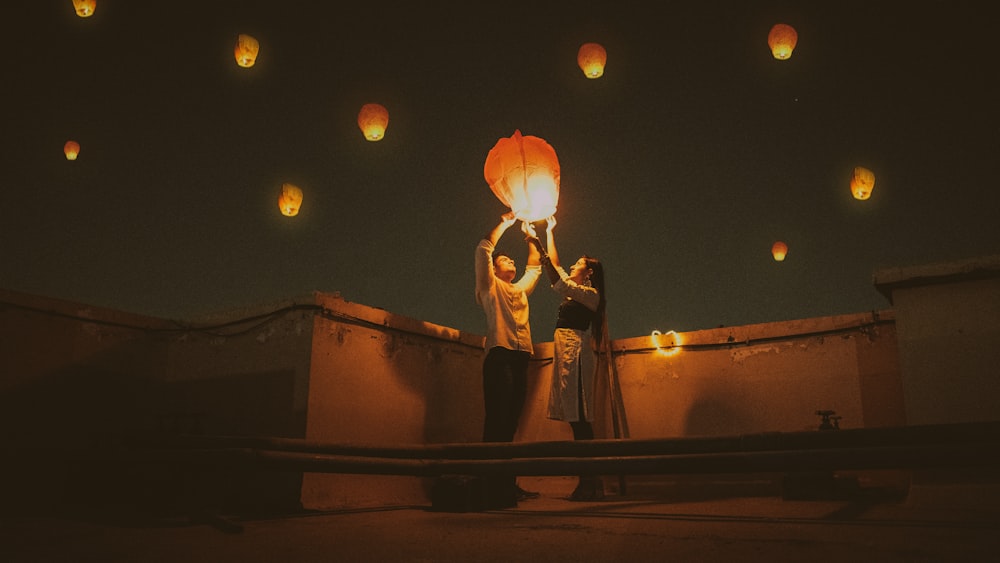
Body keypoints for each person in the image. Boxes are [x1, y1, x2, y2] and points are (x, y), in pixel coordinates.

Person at [527, 216, 607, 501]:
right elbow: (558, 270)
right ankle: (589, 480)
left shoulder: (590, 294)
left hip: (577, 354)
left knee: (581, 418)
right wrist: (549, 231)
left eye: (579, 263)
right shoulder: (579, 292)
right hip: (567, 352)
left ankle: (590, 481)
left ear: (588, 273)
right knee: (576, 418)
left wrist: (539, 246)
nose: (574, 264)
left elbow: (557, 278)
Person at [474, 211, 543, 504]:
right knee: (497, 421)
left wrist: (531, 238)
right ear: (493, 268)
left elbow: (535, 268)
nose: (511, 262)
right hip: (500, 356)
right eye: (505, 260)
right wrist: (506, 222)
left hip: (520, 357)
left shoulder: (518, 289)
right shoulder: (489, 287)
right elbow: (483, 248)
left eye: (511, 260)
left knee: (511, 421)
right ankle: (488, 485)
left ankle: (506, 483)